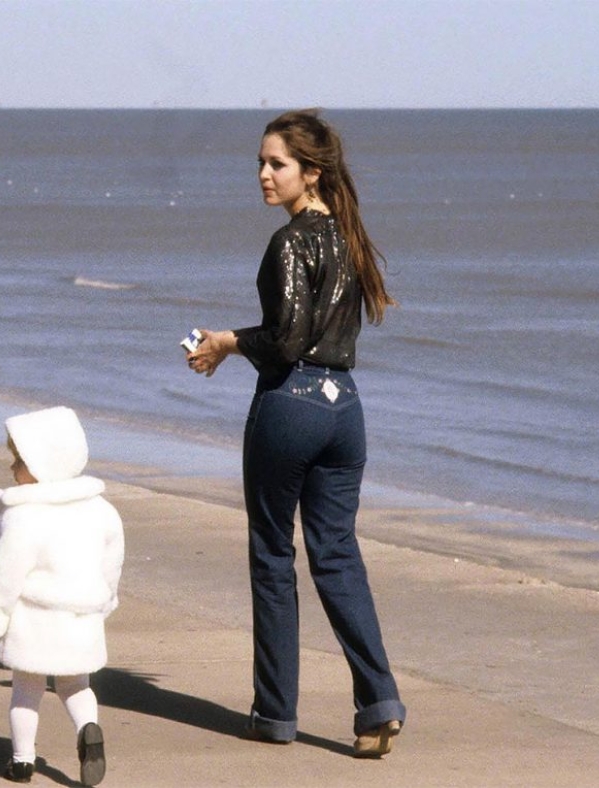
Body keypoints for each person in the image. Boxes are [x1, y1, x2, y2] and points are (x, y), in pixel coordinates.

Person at [185, 109, 406, 757]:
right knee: (336, 554)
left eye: (276, 163)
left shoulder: (290, 242)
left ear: (311, 173)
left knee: (273, 555)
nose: (263, 173)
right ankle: (379, 705)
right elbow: (314, 330)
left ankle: (275, 714)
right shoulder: (350, 237)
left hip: (291, 406)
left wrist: (226, 341)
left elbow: (286, 340)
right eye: (260, 162)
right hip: (345, 410)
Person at [0, 406, 125, 785]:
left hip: (34, 619)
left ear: (42, 464)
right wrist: (105, 600)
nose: (12, 467)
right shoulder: (101, 510)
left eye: (19, 460)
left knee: (26, 689)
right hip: (80, 617)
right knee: (77, 685)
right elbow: (112, 563)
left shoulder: (24, 515)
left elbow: (5, 572)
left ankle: (22, 761)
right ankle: (88, 728)